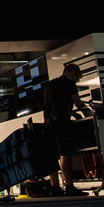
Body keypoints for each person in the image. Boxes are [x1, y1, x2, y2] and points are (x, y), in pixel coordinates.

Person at [43, 62, 93, 196]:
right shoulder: (69, 84)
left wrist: (71, 113)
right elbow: (78, 103)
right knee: (65, 155)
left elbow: (54, 104)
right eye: (77, 77)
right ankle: (70, 187)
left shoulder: (49, 85)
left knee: (52, 156)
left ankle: (55, 188)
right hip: (62, 124)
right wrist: (90, 113)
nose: (76, 80)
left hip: (47, 124)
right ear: (73, 73)